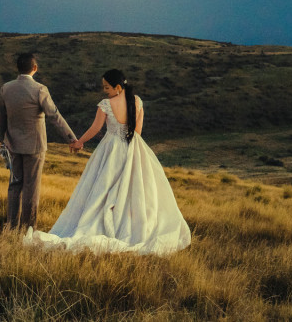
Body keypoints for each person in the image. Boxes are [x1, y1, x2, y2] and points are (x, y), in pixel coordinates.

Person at [24, 69, 192, 254]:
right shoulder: (137, 101)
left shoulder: (106, 104)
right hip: (134, 147)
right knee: (133, 190)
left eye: (107, 87)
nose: (104, 90)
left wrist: (80, 141)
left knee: (101, 189)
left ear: (118, 87)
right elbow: (137, 131)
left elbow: (95, 128)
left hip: (111, 149)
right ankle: (128, 224)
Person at [0, 53, 79, 231]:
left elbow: (0, 117)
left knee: (14, 185)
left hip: (12, 145)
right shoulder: (40, 89)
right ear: (35, 68)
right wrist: (71, 138)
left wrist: (3, 139)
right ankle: (28, 229)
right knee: (31, 188)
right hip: (35, 147)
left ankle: (11, 227)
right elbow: (54, 116)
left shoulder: (6, 88)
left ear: (17, 68)